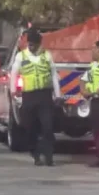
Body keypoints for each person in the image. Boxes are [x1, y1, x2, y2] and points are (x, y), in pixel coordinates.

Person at [10, 29, 61, 166]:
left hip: (44, 95)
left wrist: (58, 94)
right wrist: (13, 90)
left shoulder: (47, 56)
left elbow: (54, 75)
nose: (30, 47)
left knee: (48, 126)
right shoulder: (21, 56)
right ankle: (35, 153)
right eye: (29, 44)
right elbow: (14, 73)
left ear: (39, 44)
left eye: (33, 45)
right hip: (29, 96)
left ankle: (48, 155)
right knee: (29, 127)